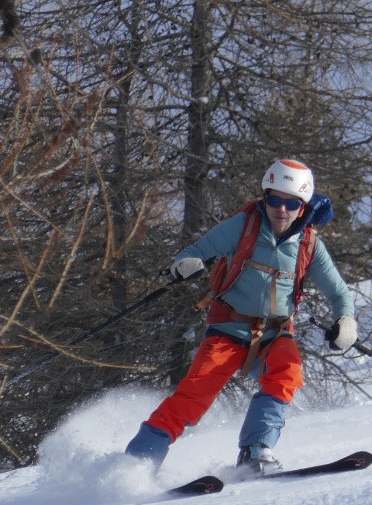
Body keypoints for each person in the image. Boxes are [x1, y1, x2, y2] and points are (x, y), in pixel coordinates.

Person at [123, 158, 357, 475]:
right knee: (194, 394)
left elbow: (339, 292)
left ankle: (255, 451)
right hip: (228, 328)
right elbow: (194, 253)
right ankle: (138, 461)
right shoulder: (243, 226)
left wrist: (346, 321)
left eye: (291, 203)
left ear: (302, 206)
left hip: (274, 334)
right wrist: (185, 265)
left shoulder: (309, 244)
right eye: (274, 199)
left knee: (287, 372)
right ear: (264, 197)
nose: (281, 210)